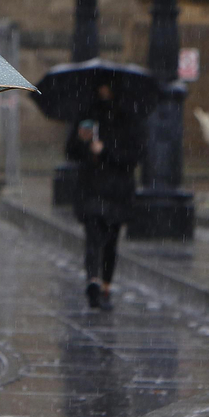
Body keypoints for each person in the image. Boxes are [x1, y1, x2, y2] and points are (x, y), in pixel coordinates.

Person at [65, 82, 142, 310]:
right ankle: (93, 280)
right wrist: (82, 140)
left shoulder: (127, 119)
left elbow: (133, 157)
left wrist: (106, 151)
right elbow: (71, 151)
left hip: (116, 191)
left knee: (110, 241)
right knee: (92, 237)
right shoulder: (87, 114)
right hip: (92, 188)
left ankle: (105, 284)